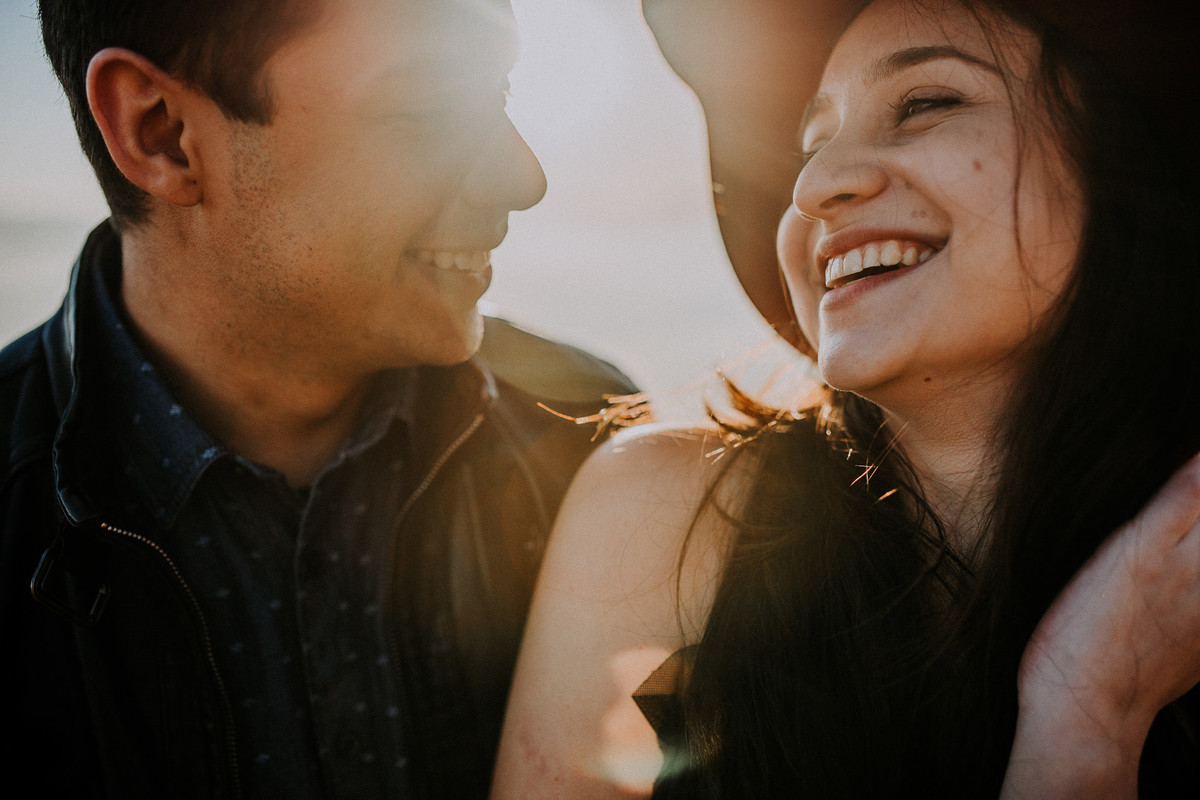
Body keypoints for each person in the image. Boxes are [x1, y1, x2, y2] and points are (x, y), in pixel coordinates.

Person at [491, 0, 1200, 797]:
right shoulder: (665, 520)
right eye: (810, 143)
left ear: (1122, 165)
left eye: (929, 103)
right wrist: (1086, 720)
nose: (817, 185)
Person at [0, 0, 636, 796]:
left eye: (501, 96)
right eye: (429, 108)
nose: (524, 177)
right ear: (159, 130)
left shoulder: (600, 442)